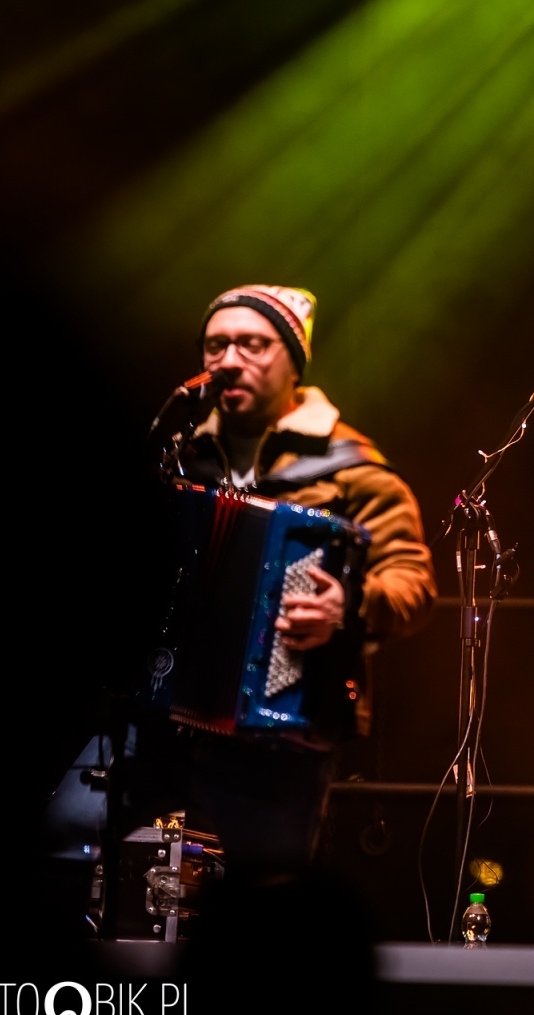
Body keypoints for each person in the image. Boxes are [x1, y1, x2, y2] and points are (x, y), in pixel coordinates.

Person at [109, 283, 439, 888]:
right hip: (159, 726)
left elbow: (412, 582)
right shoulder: (175, 458)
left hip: (282, 733)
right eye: (216, 345)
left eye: (253, 344)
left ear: (293, 361)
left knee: (265, 901)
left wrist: (350, 606)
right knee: (118, 882)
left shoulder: (352, 470)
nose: (229, 360)